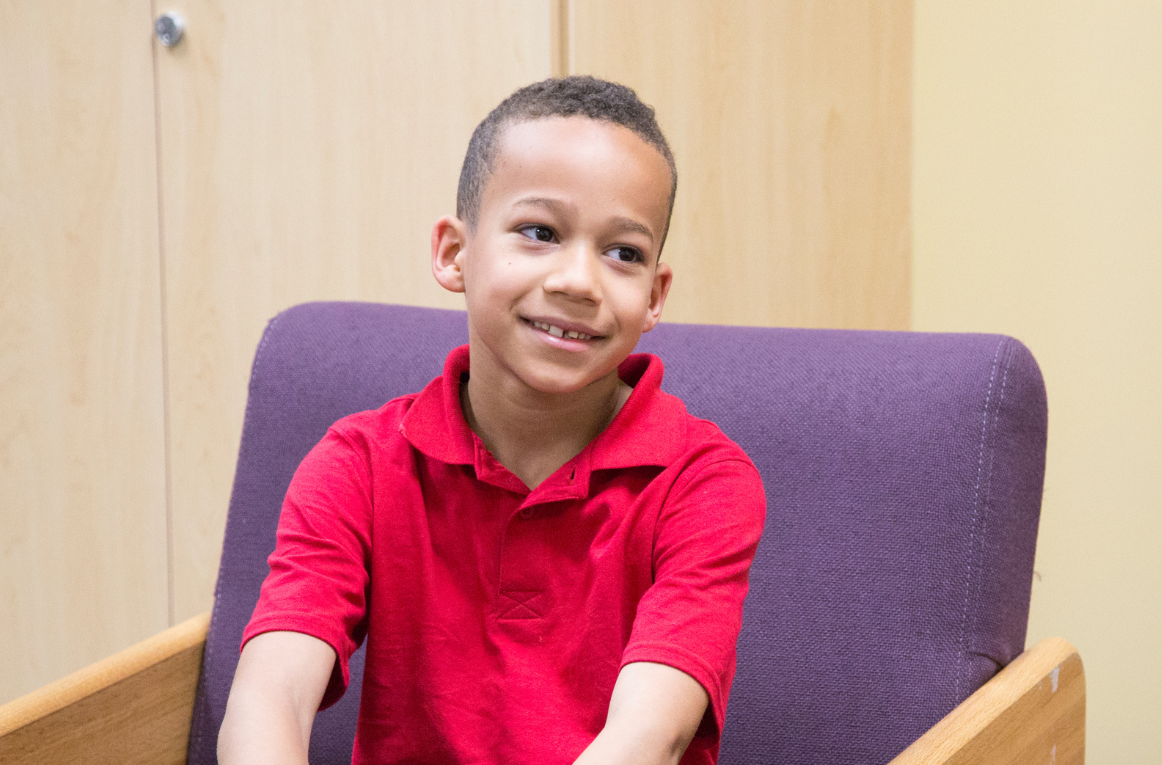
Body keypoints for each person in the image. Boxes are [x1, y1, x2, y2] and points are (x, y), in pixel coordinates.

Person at [217, 77, 767, 765]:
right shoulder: (356, 463)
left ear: (654, 296)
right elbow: (269, 695)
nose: (578, 281)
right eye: (539, 233)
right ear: (454, 254)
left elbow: (650, 738)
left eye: (623, 253)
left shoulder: (705, 482)